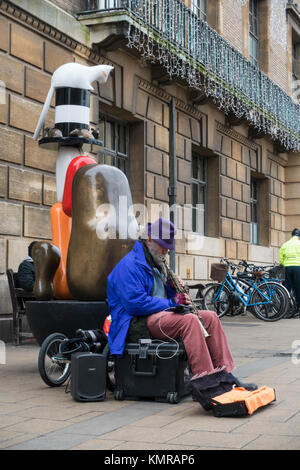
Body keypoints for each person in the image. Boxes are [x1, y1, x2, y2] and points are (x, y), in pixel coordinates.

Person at [107, 218, 257, 390]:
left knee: (210, 317)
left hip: (159, 316)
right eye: (162, 245)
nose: (165, 251)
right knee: (189, 321)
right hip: (135, 322)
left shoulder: (156, 262)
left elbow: (160, 294)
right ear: (149, 240)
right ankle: (206, 382)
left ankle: (226, 375)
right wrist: (171, 302)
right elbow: (135, 304)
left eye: (167, 248)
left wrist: (173, 289)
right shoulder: (129, 265)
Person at [279, 228, 300, 311]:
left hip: (287, 268)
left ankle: (285, 308)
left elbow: (281, 258)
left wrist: (285, 264)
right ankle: (298, 308)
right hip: (298, 268)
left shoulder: (285, 244)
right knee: (298, 288)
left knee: (286, 288)